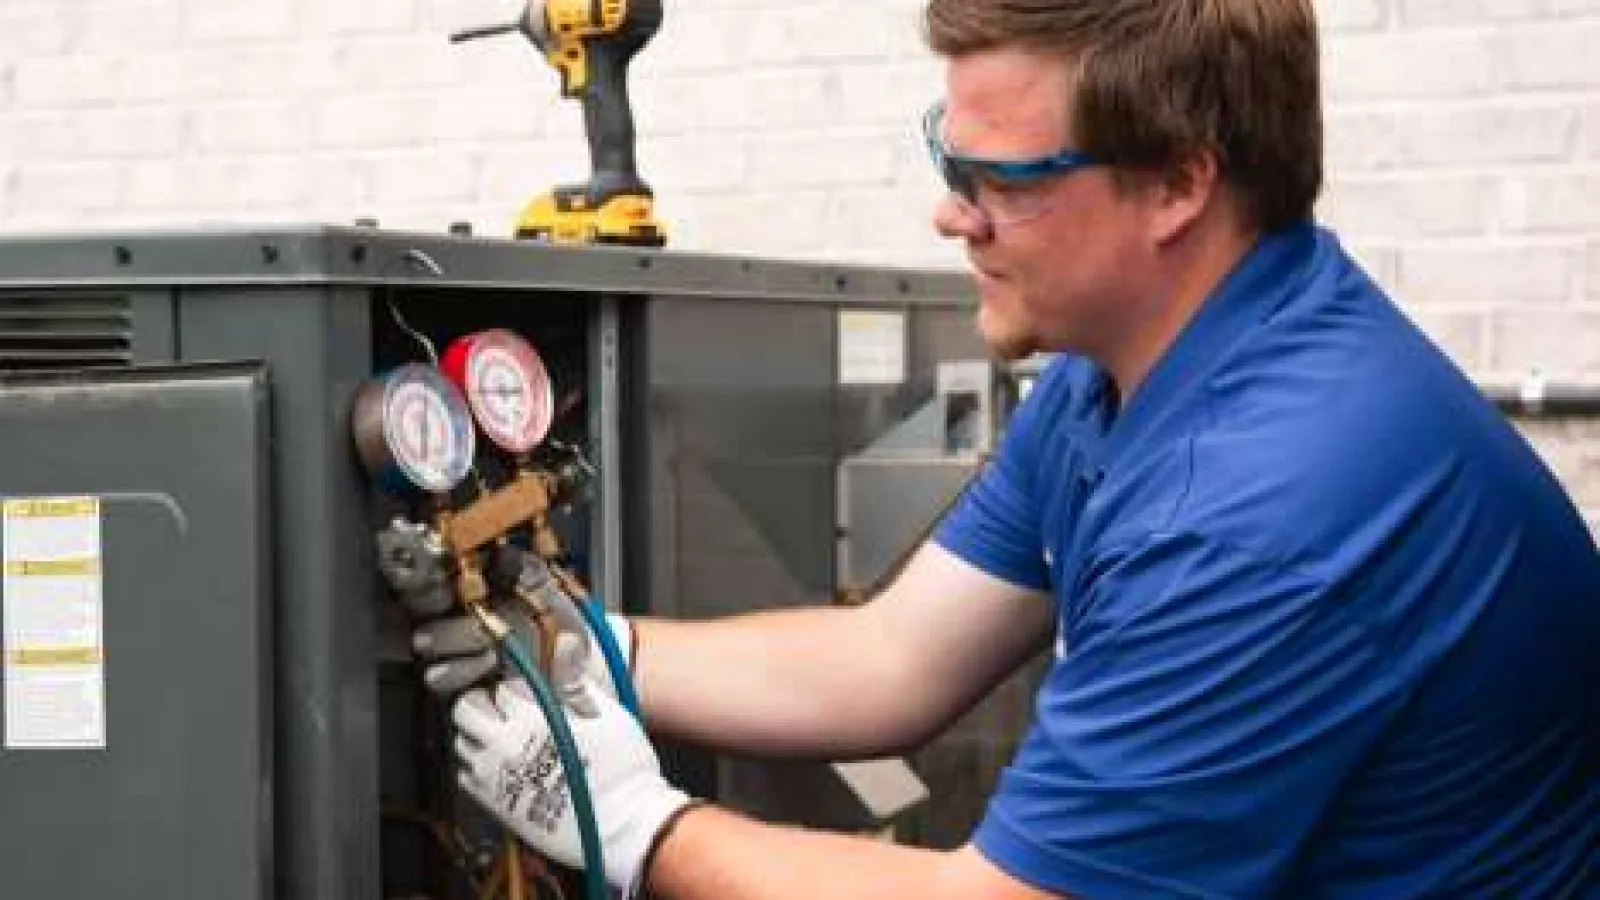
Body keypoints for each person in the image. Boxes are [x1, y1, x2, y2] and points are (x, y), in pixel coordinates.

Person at [424, 1, 1600, 897]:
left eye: (998, 178)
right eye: (949, 156)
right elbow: (886, 661)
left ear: (1177, 182)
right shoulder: (1120, 374)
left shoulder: (1263, 507)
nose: (952, 211)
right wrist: (592, 650)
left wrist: (633, 826)